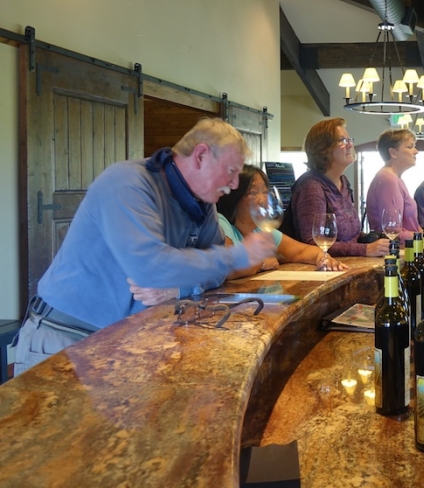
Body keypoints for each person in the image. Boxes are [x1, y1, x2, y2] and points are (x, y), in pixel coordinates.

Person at [14, 118, 277, 374]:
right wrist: (239, 255)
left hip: (124, 339)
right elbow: (150, 268)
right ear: (200, 155)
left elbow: (218, 271)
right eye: (231, 171)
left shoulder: (203, 204)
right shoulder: (127, 182)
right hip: (66, 337)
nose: (234, 184)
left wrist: (181, 286)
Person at [216, 165, 348, 277]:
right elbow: (227, 269)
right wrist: (262, 263)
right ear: (233, 198)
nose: (263, 200)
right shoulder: (222, 223)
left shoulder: (260, 229)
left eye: (265, 192)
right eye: (253, 192)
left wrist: (322, 258)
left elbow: (300, 252)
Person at [290, 118, 391, 257]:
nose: (350, 145)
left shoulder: (343, 182)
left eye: (349, 139)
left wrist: (372, 240)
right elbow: (314, 243)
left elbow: (350, 237)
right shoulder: (312, 186)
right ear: (323, 149)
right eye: (342, 140)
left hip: (349, 266)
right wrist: (365, 250)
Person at [365, 128, 424, 242]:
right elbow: (393, 233)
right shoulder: (388, 179)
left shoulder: (394, 178)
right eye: (410, 147)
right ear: (393, 153)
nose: (416, 151)